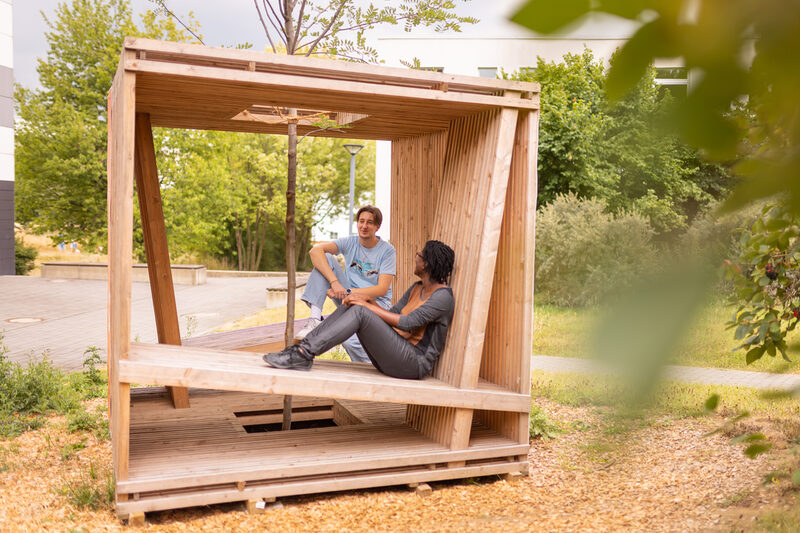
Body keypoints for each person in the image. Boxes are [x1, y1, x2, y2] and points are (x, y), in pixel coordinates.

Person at [264, 240, 455, 380]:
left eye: (419, 255)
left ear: (427, 263)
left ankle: (303, 354)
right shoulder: (417, 287)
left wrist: (367, 306)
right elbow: (394, 314)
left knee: (361, 310)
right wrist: (368, 300)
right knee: (354, 303)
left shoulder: (442, 297)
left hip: (413, 363)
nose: (416, 257)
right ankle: (302, 350)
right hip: (395, 355)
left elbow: (407, 322)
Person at [294, 205, 396, 364]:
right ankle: (314, 319)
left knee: (349, 340)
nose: (364, 226)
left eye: (370, 222)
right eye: (361, 221)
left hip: (375, 304)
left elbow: (381, 289)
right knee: (325, 258)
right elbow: (315, 251)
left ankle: (371, 368)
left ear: (377, 226)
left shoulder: (387, 250)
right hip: (348, 298)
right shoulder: (350, 242)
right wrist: (335, 283)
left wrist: (347, 291)